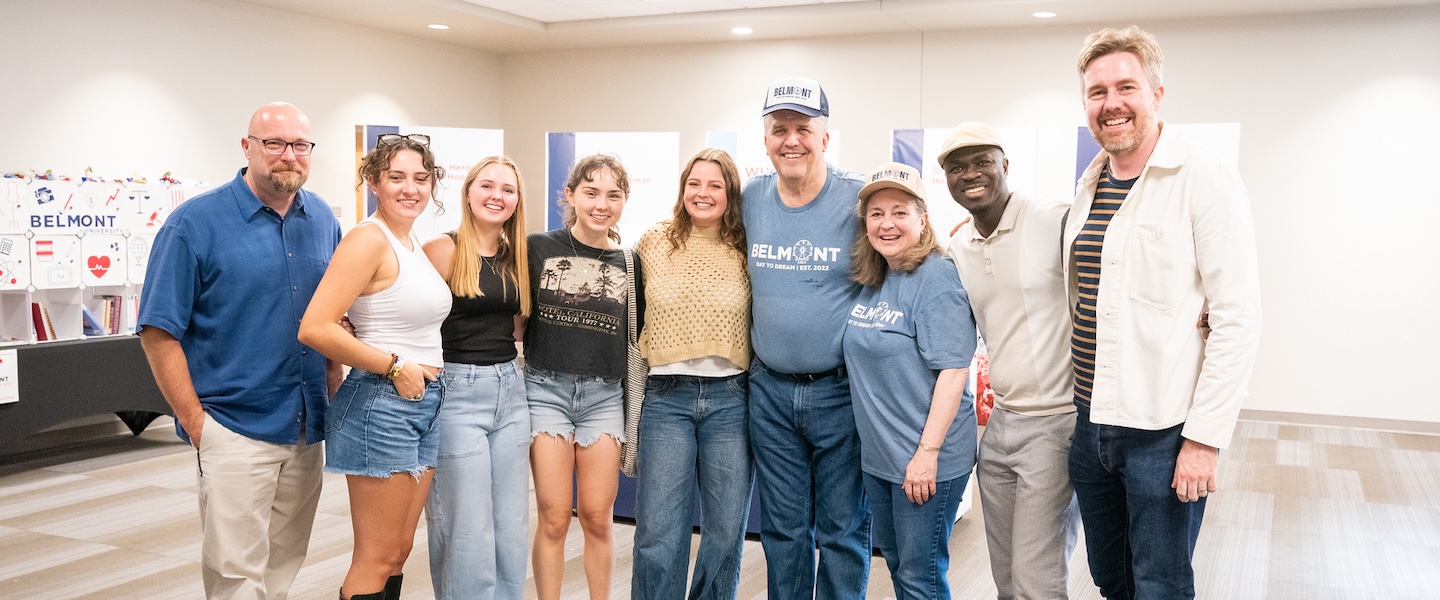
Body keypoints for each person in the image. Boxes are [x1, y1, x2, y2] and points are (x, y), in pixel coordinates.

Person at [1064, 26, 1262, 599]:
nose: (1111, 103)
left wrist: (1204, 439)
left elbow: (1237, 318)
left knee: (1161, 583)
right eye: (1097, 92)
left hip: (1162, 430)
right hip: (1090, 420)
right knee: (1110, 578)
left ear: (1157, 94)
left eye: (1126, 87)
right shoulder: (1091, 181)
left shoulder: (1204, 177)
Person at [137, 102, 340, 600]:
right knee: (234, 572)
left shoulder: (323, 221)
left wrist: (333, 393)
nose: (288, 155)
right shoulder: (193, 225)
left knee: (285, 560)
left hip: (306, 425)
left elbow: (335, 319)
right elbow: (157, 330)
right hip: (233, 426)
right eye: (274, 143)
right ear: (247, 147)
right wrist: (197, 423)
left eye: (299, 145)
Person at [297, 133, 452, 600]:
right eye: (397, 177)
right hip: (380, 405)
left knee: (399, 550)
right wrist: (394, 365)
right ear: (373, 182)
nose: (411, 188)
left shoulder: (412, 243)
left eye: (421, 179)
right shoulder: (368, 239)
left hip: (422, 403)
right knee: (377, 555)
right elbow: (315, 327)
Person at [742, 76, 871, 600]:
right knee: (783, 530)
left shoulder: (860, 199)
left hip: (839, 391)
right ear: (766, 139)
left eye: (802, 128)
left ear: (825, 137)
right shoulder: (749, 198)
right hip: (768, 391)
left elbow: (908, 247)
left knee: (842, 531)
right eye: (779, 130)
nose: (790, 140)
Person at [941, 122, 1080, 600]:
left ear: (1005, 165)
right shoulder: (958, 247)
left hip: (1057, 422)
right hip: (999, 425)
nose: (971, 174)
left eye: (982, 161)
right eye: (957, 167)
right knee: (1005, 577)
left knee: (1036, 580)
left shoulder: (1054, 218)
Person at [843, 162, 977, 600]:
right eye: (877, 213)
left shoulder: (936, 277)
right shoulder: (875, 277)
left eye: (899, 212)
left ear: (922, 218)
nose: (887, 223)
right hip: (882, 459)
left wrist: (926, 456)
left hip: (926, 459)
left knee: (921, 577)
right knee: (901, 567)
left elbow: (954, 370)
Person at [631, 148, 752, 600]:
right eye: (694, 184)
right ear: (682, 190)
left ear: (730, 195)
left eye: (715, 185)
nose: (702, 193)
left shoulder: (745, 247)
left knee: (724, 532)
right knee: (659, 534)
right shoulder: (652, 242)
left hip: (731, 400)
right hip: (666, 399)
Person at [525, 154, 640, 600]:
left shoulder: (631, 264)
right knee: (554, 516)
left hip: (604, 397)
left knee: (596, 515)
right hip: (545, 391)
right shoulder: (537, 247)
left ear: (624, 201)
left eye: (613, 195)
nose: (601, 204)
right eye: (591, 192)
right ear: (571, 195)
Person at [421, 156, 532, 600]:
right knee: (466, 525)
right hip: (456, 394)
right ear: (467, 193)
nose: (496, 196)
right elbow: (402, 315)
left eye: (507, 189)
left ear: (517, 201)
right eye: (487, 186)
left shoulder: (517, 257)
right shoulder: (442, 250)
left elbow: (519, 326)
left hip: (511, 391)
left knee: (510, 521)